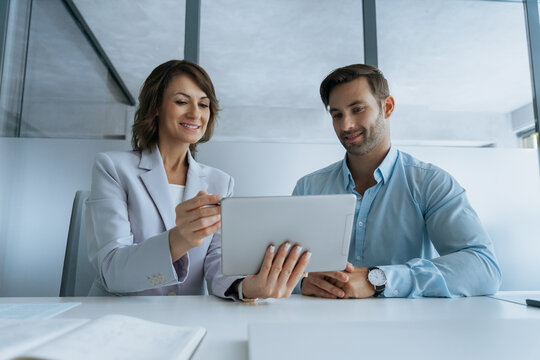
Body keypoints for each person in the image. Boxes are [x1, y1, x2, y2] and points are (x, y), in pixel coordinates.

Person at [86, 60, 310, 300]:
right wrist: (179, 240)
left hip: (186, 318)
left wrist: (246, 287)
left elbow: (218, 263)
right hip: (116, 317)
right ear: (155, 107)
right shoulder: (113, 168)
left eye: (203, 104)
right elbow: (111, 270)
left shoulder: (220, 182)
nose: (195, 113)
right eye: (182, 101)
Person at [295, 64, 501, 299]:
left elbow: (484, 268)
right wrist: (301, 283)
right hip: (320, 326)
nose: (346, 125)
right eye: (337, 115)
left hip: (406, 330)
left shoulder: (431, 183)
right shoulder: (307, 188)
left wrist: (378, 279)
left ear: (387, 107)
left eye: (358, 109)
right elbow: (280, 273)